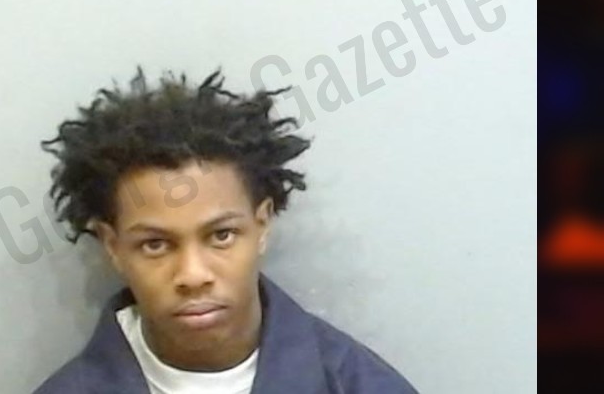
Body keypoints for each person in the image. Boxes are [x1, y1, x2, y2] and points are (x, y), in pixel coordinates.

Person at [34, 67, 417, 393]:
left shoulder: (358, 385)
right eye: (155, 244)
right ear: (113, 246)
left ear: (262, 224)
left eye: (221, 236)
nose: (193, 275)